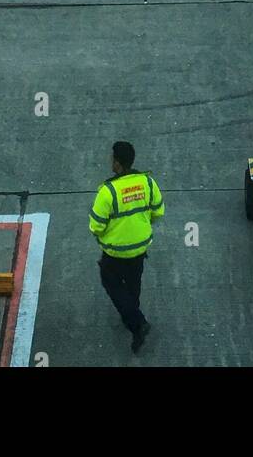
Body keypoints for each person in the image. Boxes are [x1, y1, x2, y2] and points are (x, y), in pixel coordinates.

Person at [89, 140, 164, 354]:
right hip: (140, 248)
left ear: (118, 164)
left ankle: (137, 322)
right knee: (133, 282)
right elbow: (158, 212)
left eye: (112, 158)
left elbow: (96, 226)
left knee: (110, 282)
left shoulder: (107, 192)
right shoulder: (148, 182)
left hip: (115, 251)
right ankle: (131, 312)